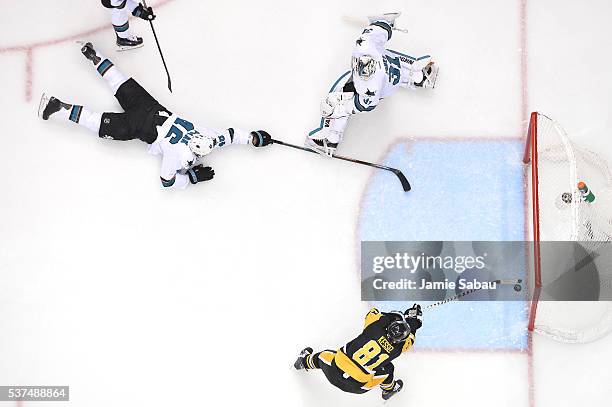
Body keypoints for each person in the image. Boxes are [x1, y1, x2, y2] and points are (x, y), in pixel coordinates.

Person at [38, 42, 272, 190]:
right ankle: (57, 107)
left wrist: (253, 138)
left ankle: (94, 54)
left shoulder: (207, 136)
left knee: (118, 81)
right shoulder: (181, 155)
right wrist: (190, 179)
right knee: (96, 122)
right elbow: (166, 181)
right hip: (139, 126)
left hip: (152, 107)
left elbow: (229, 136)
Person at [306, 12, 439, 156]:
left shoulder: (370, 84)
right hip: (392, 73)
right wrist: (384, 23)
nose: (362, 69)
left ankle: (330, 139)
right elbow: (374, 34)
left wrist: (338, 109)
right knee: (391, 59)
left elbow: (365, 104)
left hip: (384, 87)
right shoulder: (366, 46)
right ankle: (420, 76)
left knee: (337, 97)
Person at [294, 304, 422, 401]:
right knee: (388, 369)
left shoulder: (376, 326)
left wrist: (394, 316)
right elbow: (411, 338)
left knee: (323, 356)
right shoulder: (400, 348)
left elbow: (372, 313)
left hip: (332, 370)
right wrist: (414, 320)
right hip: (358, 387)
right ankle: (389, 390)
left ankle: (303, 362)